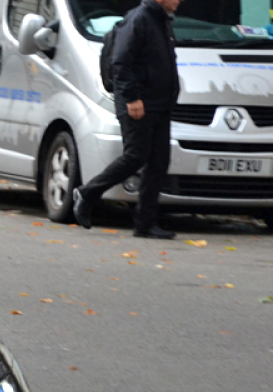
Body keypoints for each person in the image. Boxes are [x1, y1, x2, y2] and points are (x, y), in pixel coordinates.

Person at [72, 0, 182, 240]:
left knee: (159, 162)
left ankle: (145, 223)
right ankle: (87, 193)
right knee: (136, 156)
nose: (180, 0)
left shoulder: (161, 20)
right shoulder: (139, 19)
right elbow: (121, 61)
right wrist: (132, 97)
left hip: (159, 105)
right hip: (138, 104)